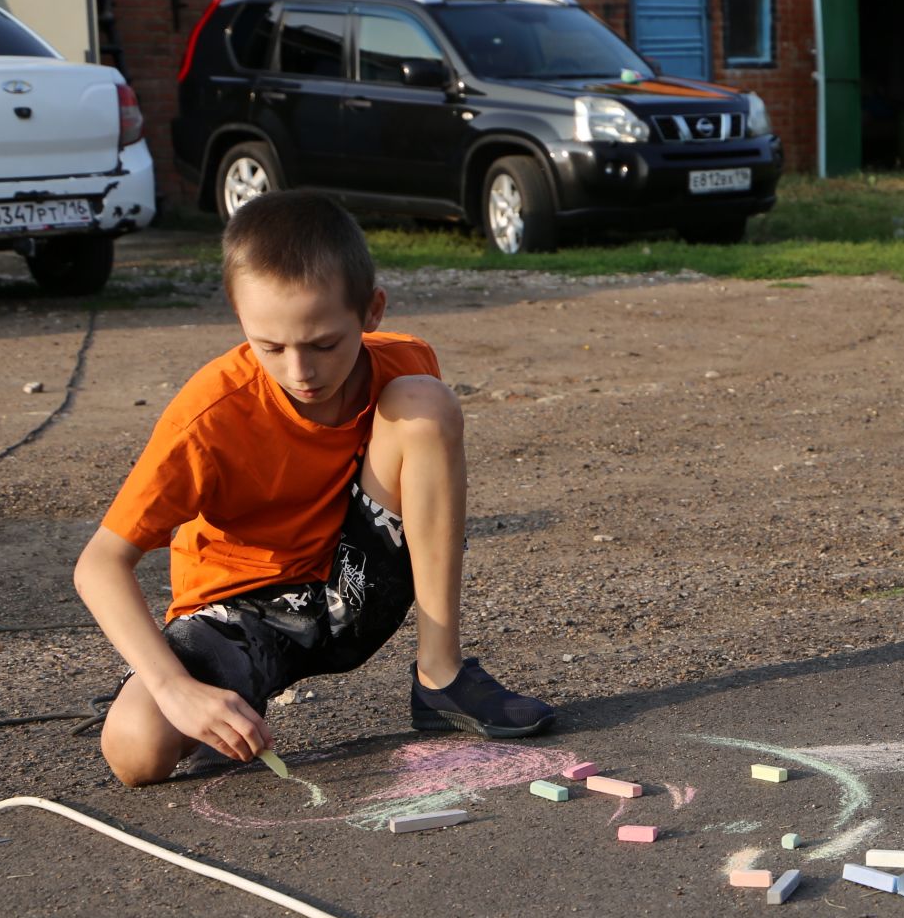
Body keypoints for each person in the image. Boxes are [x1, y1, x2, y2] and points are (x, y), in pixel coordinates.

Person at [74, 191, 553, 787]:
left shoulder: (403, 362)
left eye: (324, 344)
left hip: (354, 581)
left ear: (370, 311)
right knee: (135, 749)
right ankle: (219, 704)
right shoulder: (209, 416)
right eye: (269, 346)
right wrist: (175, 690)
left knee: (424, 403)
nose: (300, 372)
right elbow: (99, 564)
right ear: (240, 318)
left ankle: (441, 676)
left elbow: (418, 479)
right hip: (243, 612)